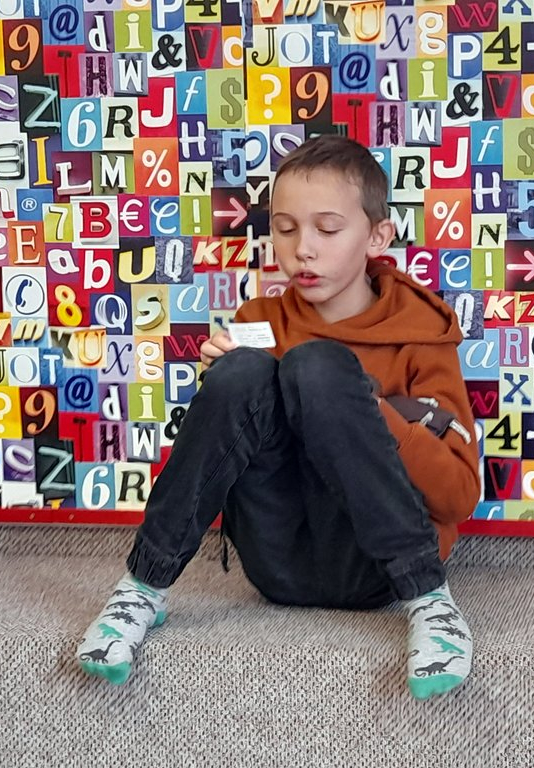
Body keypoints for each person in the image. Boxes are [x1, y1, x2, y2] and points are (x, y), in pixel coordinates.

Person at [75, 134, 481, 700]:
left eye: (328, 230)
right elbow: (236, 434)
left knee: (318, 367)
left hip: (378, 569)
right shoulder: (259, 320)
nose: (303, 250)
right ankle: (142, 587)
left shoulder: (421, 334)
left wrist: (365, 410)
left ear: (378, 236)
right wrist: (226, 381)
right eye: (286, 229)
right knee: (244, 372)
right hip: (276, 561)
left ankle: (431, 602)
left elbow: (459, 497)